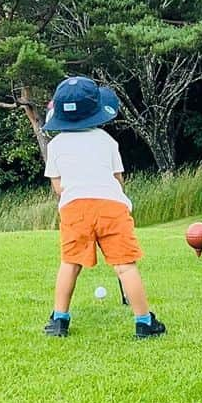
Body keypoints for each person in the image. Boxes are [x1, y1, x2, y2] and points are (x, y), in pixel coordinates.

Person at [42, 75, 166, 339]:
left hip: (75, 208)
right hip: (111, 207)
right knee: (125, 266)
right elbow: (117, 181)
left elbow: (58, 187)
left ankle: (59, 321)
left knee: (70, 263)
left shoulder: (55, 145)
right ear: (96, 111)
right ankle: (144, 322)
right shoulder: (107, 141)